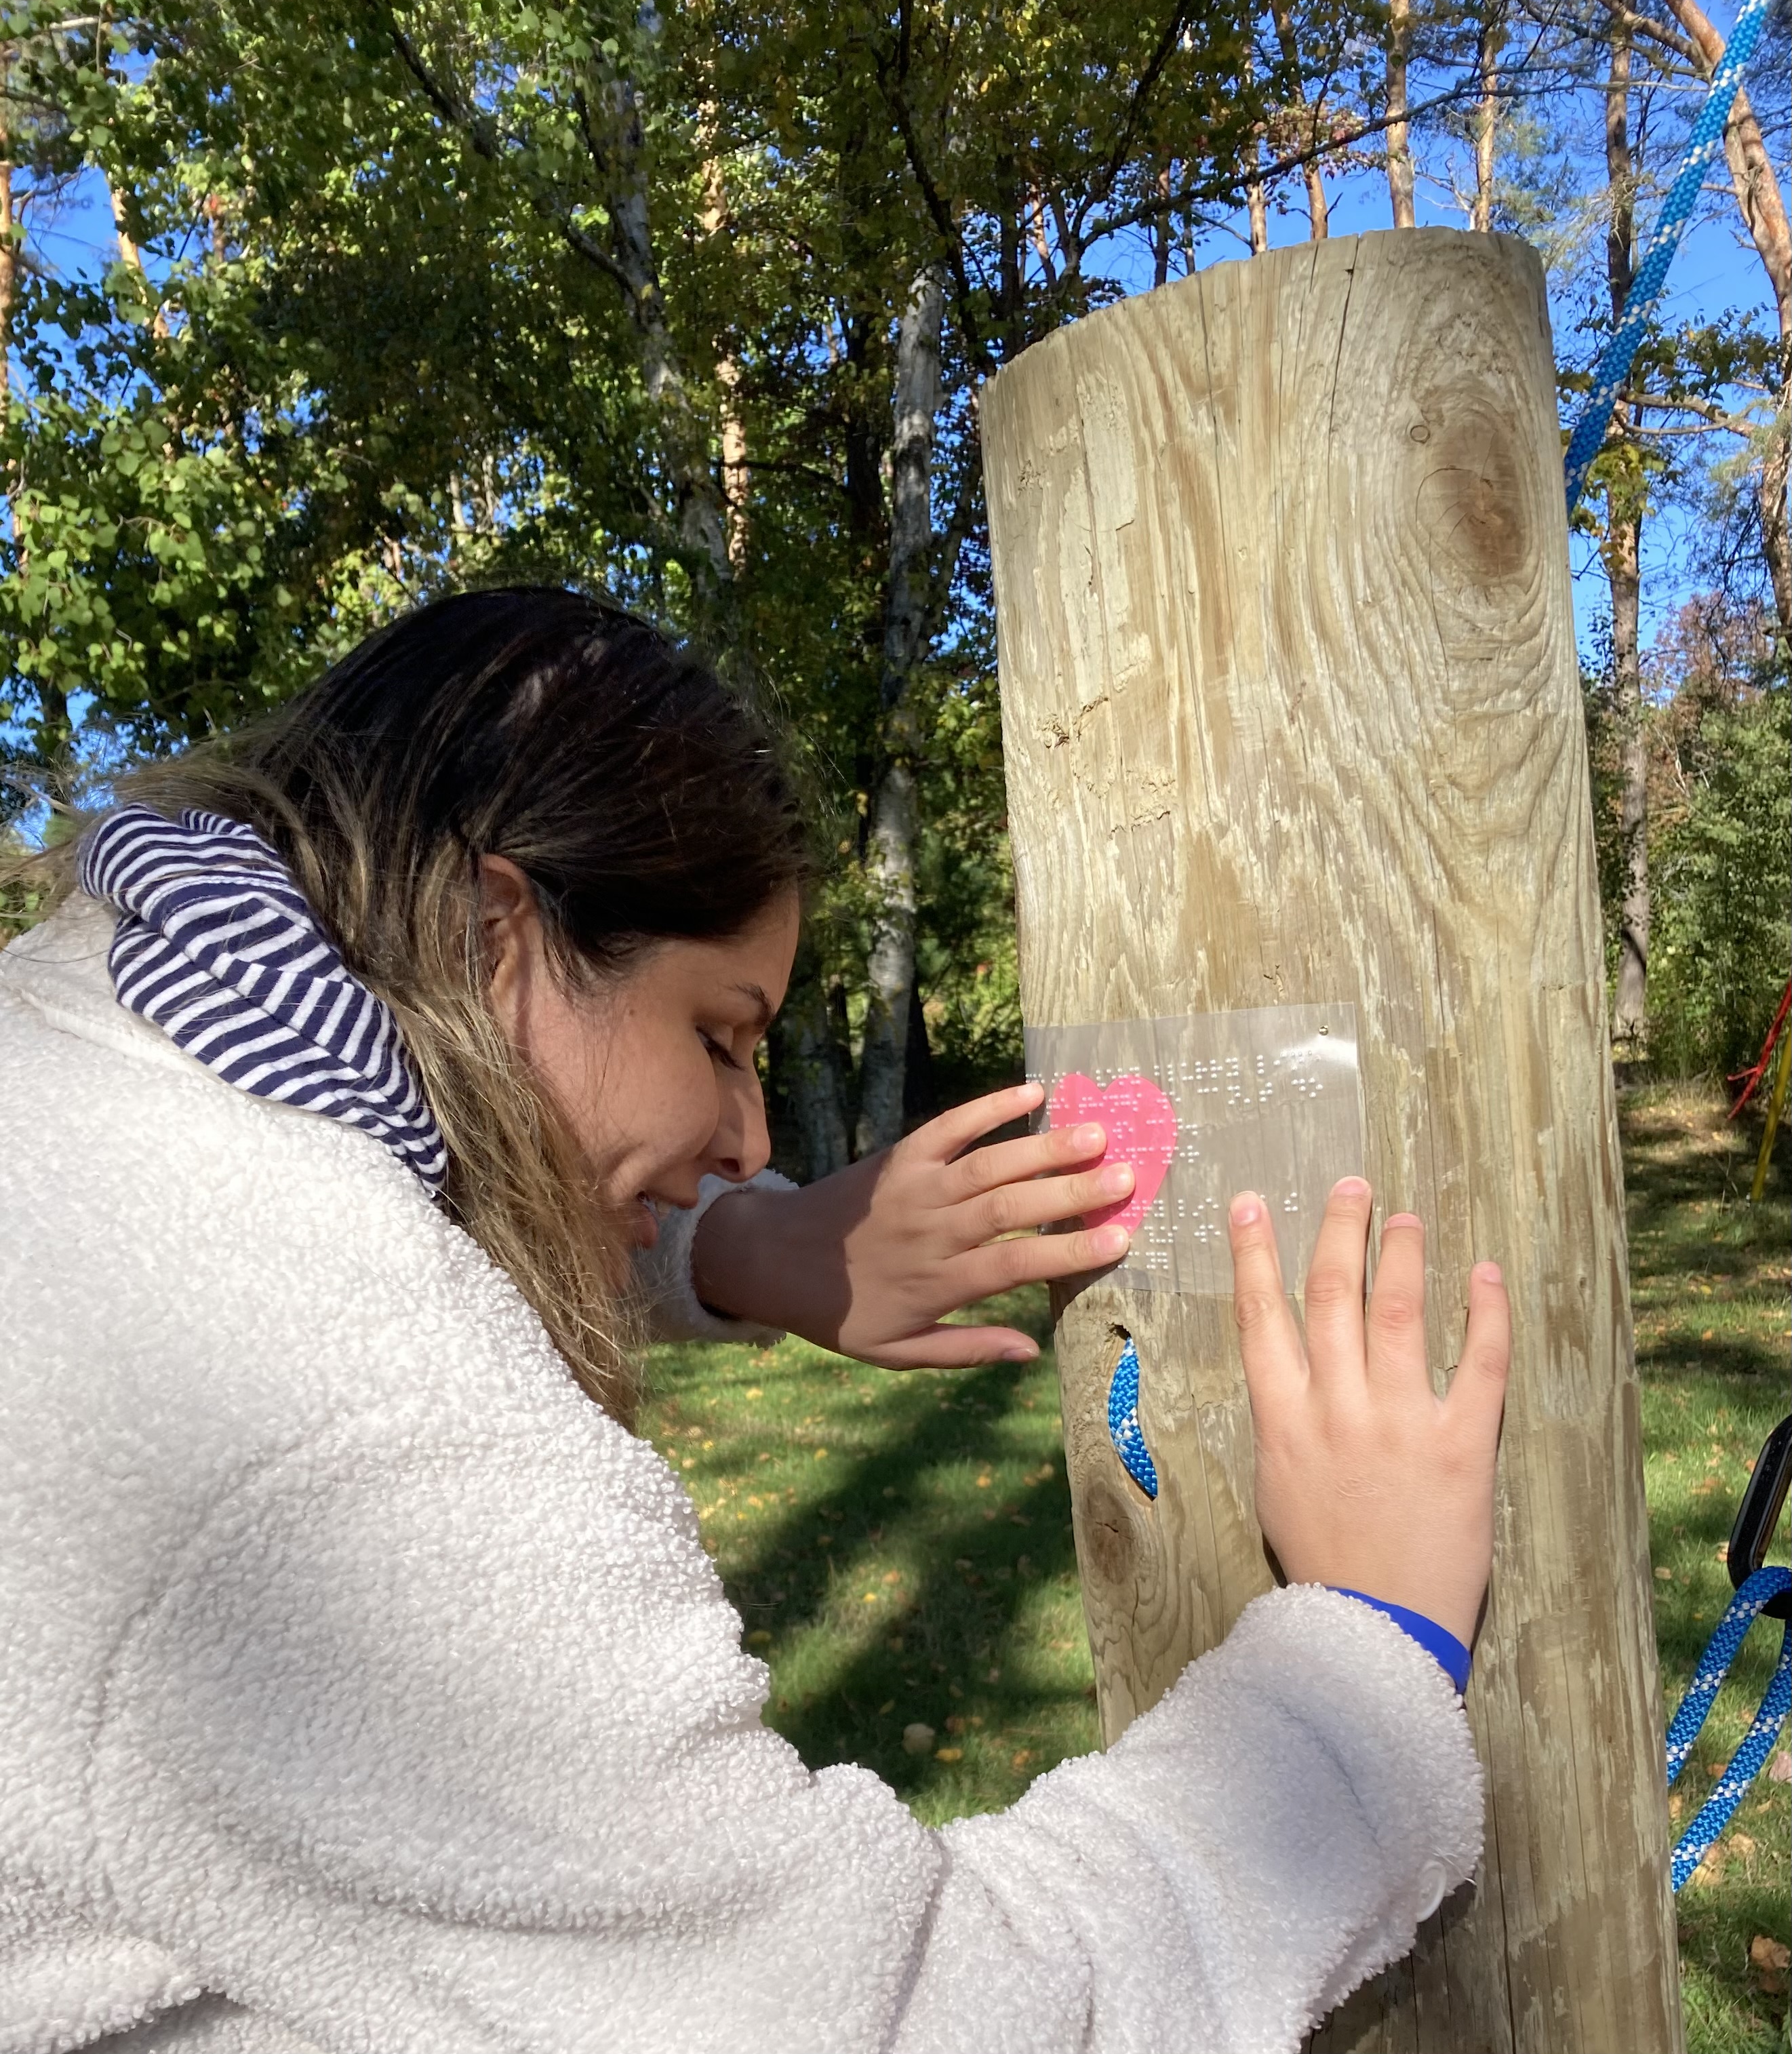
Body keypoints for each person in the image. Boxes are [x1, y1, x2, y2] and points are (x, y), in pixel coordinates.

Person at [0, 589, 1508, 2054]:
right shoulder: (338, 1434)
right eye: (719, 1035)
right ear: (482, 938)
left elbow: (385, 1160)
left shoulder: (110, 1030)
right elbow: (892, 2021)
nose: (744, 1127)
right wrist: (1362, 1663)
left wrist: (733, 1243)